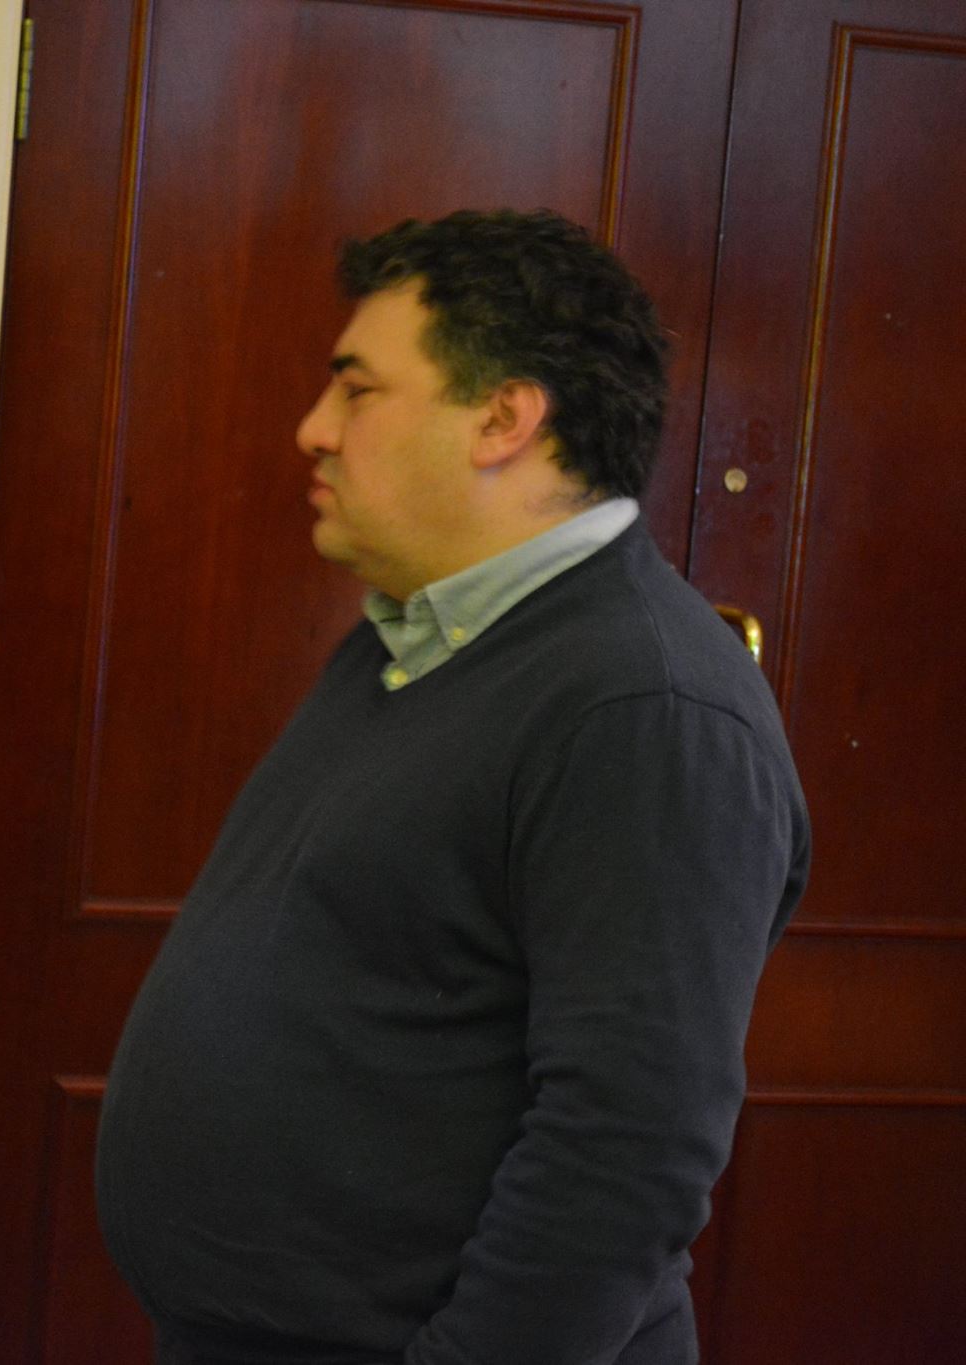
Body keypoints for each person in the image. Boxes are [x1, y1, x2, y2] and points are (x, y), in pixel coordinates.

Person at [96, 209, 809, 1364]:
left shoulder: (643, 708)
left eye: (356, 390)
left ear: (501, 418)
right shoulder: (414, 641)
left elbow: (622, 1150)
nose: (312, 430)